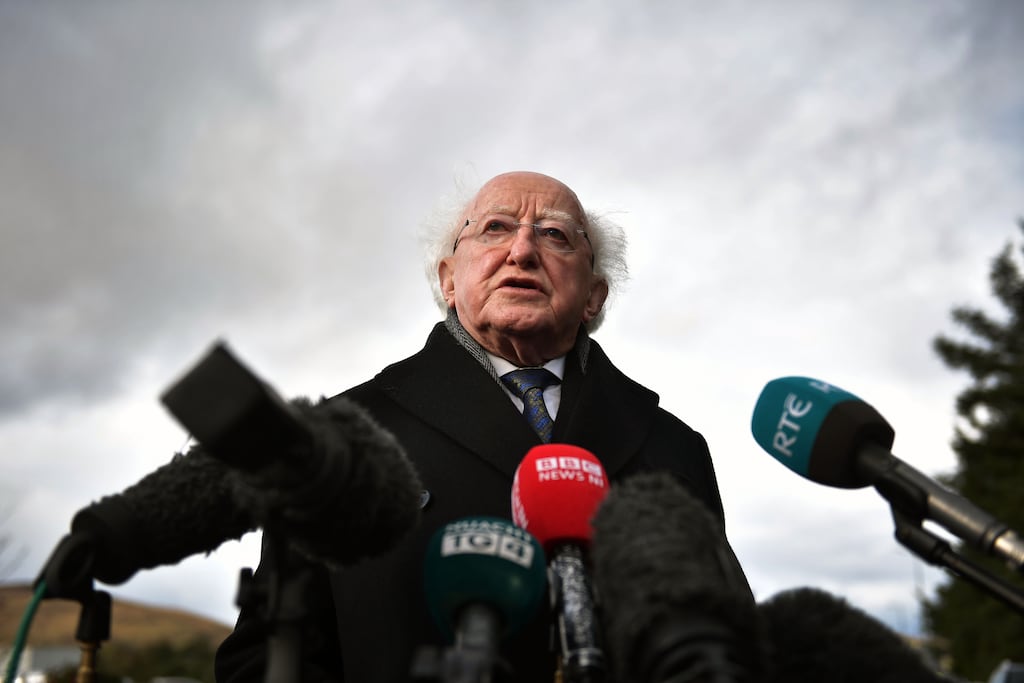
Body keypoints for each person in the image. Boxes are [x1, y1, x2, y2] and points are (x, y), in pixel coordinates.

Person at [214, 171, 747, 682]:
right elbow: (267, 658)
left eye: (556, 235)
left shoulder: (674, 448)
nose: (522, 251)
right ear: (449, 279)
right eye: (495, 228)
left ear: (593, 295)